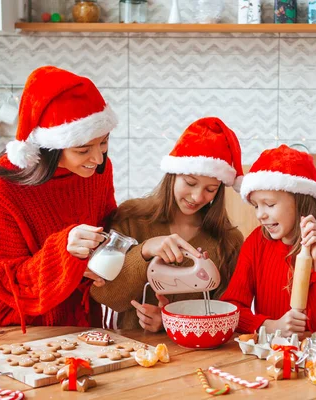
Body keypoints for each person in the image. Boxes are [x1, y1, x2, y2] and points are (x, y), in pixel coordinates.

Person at [0, 66, 119, 342]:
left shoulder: (97, 171)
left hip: (77, 325)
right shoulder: (1, 187)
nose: (97, 158)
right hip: (13, 327)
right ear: (51, 147)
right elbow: (7, 280)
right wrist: (65, 251)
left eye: (104, 142)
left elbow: (107, 230)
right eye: (83, 149)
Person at [91, 117, 244, 331]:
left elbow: (225, 315)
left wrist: (170, 322)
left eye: (211, 189)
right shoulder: (131, 219)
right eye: (190, 183)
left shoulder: (228, 241)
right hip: (134, 352)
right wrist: (144, 250)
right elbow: (105, 296)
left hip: (198, 358)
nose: (197, 196)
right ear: (172, 175)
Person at [221, 145, 316, 337]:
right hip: (273, 358)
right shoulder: (257, 242)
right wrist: (270, 326)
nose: (260, 214)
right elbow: (231, 309)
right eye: (256, 206)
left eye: (269, 204)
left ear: (301, 201)